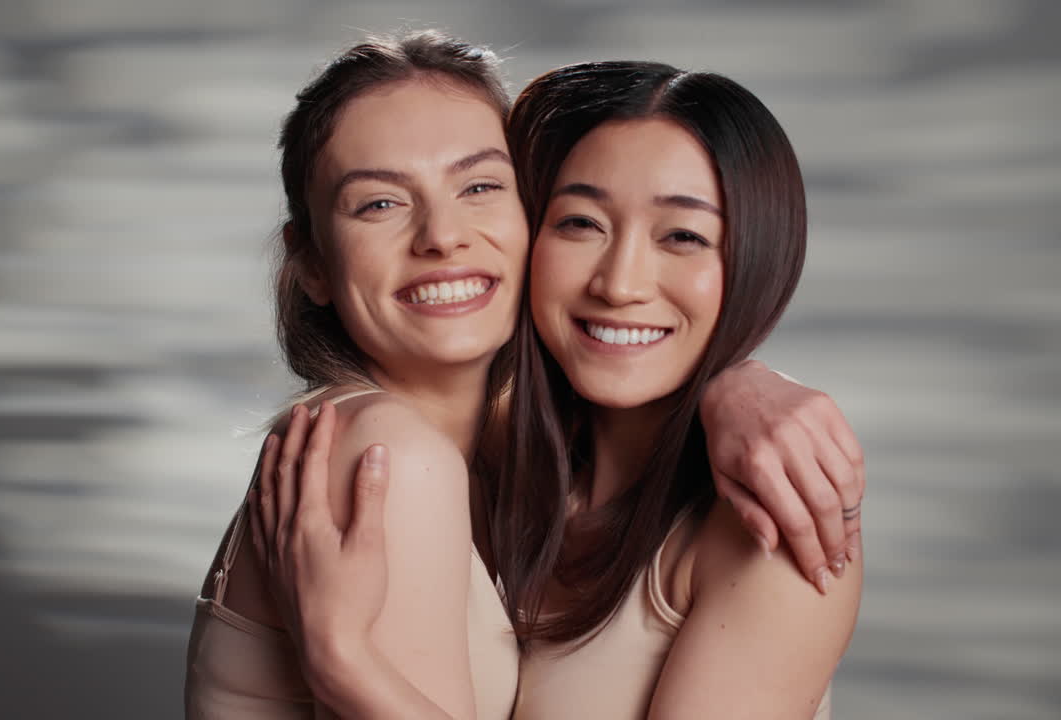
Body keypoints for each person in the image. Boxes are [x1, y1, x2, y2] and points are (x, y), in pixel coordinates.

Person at [192, 32, 863, 720]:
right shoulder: (392, 460)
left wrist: (735, 380)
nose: (443, 237)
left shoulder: (518, 465)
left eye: (480, 187)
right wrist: (343, 662)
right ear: (310, 263)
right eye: (379, 203)